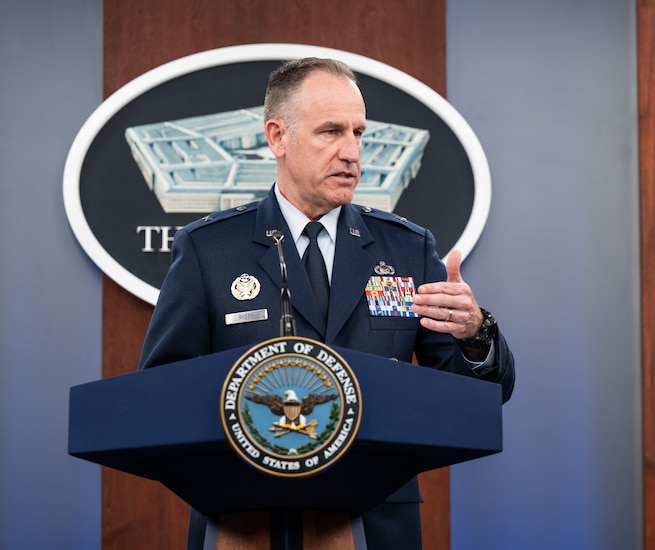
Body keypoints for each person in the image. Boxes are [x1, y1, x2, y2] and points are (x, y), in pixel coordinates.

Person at [138, 57, 515, 550]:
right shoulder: (210, 250)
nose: (352, 152)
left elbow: (480, 397)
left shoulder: (406, 248)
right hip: (246, 520)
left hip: (373, 523)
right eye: (331, 132)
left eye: (359, 132)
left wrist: (475, 334)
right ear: (277, 137)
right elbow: (161, 395)